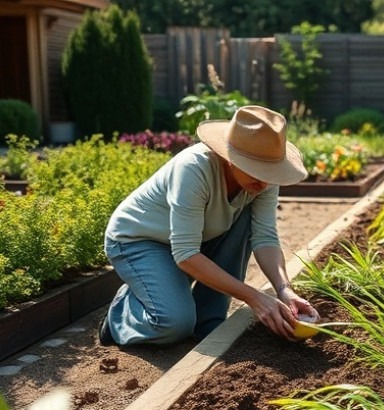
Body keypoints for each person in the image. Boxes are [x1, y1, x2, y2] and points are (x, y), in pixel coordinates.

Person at [99, 105, 320, 346]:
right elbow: (185, 254)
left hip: (194, 238)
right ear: (230, 159)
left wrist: (283, 289)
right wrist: (254, 297)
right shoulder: (194, 169)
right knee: (174, 324)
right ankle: (121, 315)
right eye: (257, 172)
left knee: (245, 219)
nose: (264, 183)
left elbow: (265, 237)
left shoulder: (263, 176)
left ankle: (208, 320)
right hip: (139, 240)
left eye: (269, 173)